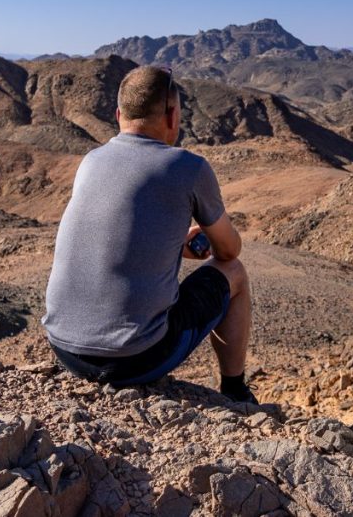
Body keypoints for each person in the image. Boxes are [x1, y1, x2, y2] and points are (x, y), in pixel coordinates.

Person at [43, 65, 256, 403]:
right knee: (235, 275)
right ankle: (236, 391)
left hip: (64, 349)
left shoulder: (91, 161)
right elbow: (229, 251)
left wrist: (171, 242)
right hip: (133, 360)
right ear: (172, 115)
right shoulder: (189, 167)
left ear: (118, 115)